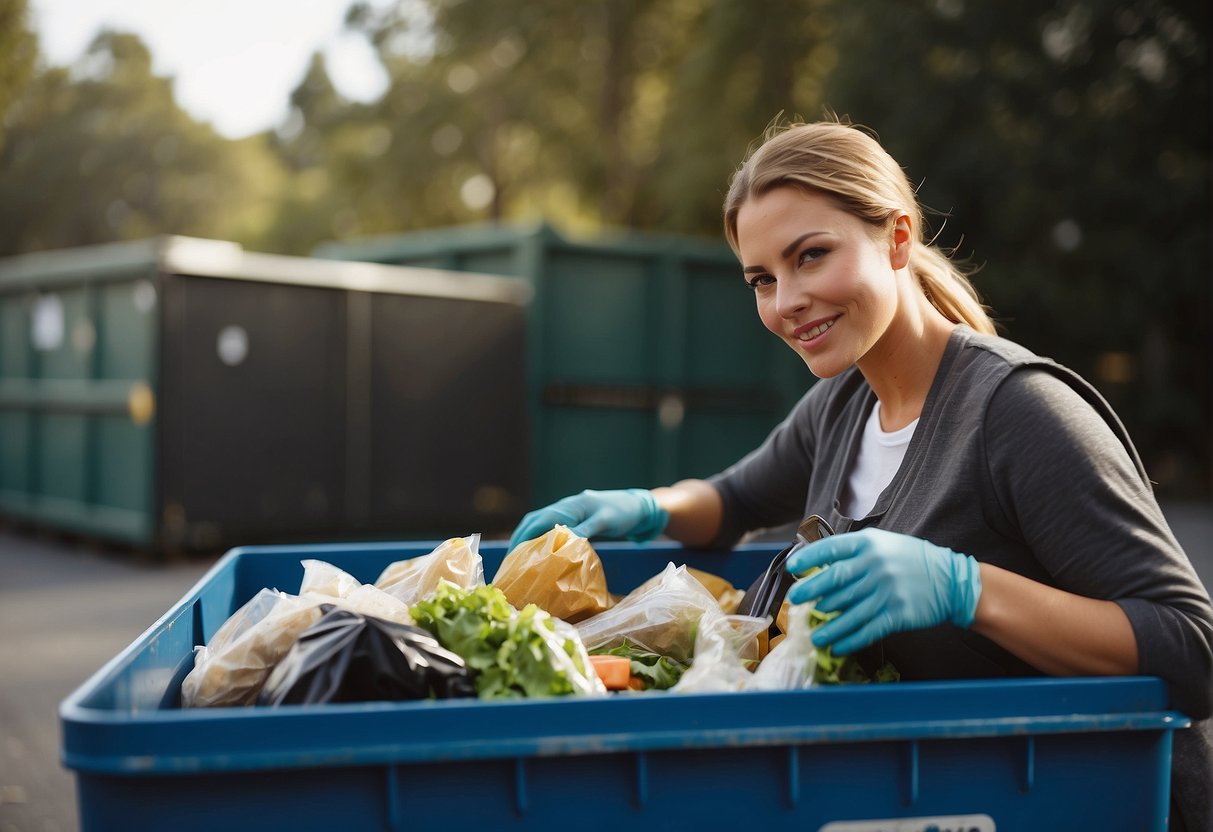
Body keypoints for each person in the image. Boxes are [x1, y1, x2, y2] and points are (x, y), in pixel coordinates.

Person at [509, 119, 1213, 830]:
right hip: (931, 798)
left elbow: (1188, 646)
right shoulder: (842, 404)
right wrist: (645, 507)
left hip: (1077, 800)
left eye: (810, 256)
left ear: (898, 238)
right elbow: (732, 500)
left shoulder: (1017, 413)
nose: (785, 301)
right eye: (762, 278)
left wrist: (963, 588)